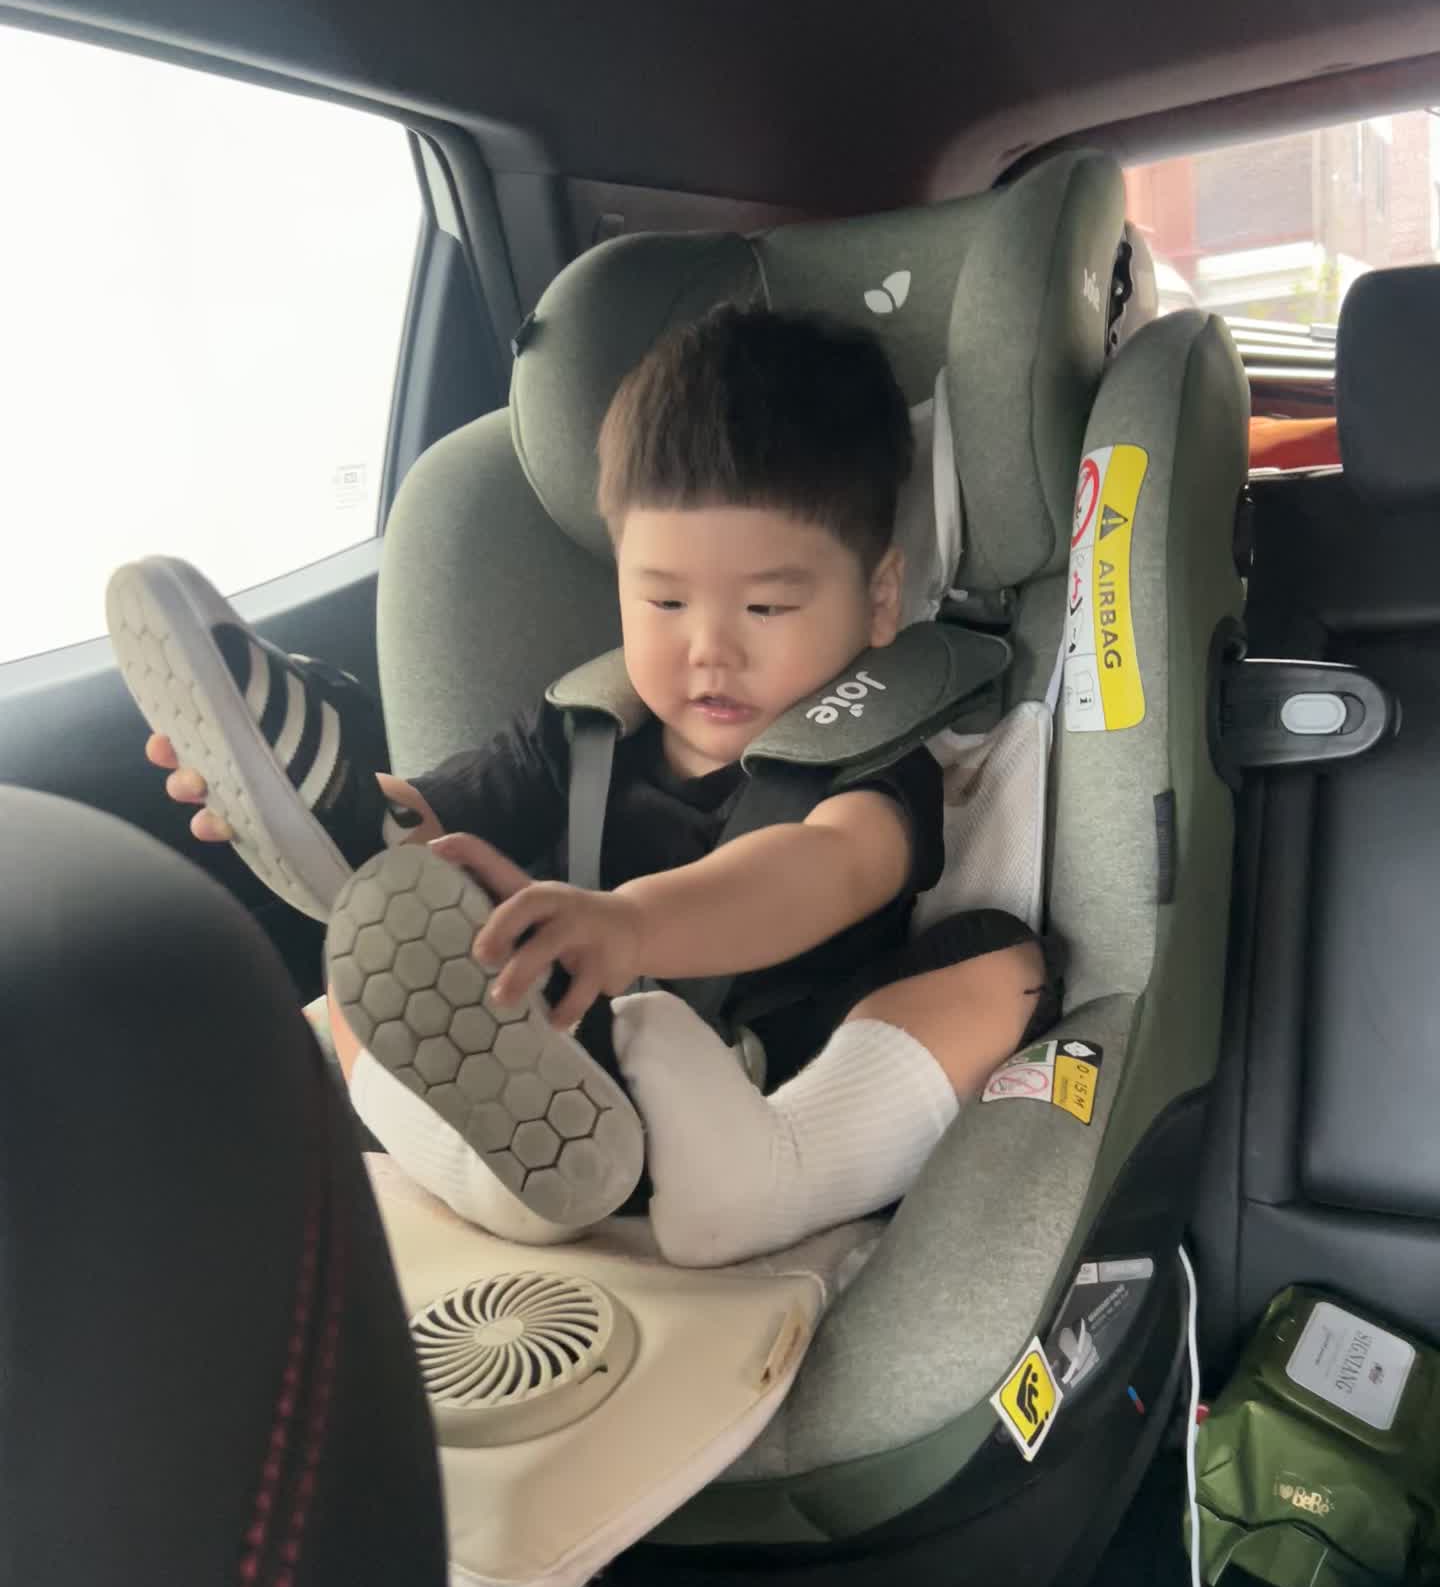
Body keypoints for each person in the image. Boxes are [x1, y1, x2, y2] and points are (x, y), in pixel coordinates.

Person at [122, 306, 1054, 1267]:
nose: (709, 648)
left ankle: (781, 1174)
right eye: (665, 600)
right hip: (563, 1075)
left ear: (881, 597)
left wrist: (634, 925)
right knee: (373, 935)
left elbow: (829, 866)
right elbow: (433, 824)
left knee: (1003, 964)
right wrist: (307, 805)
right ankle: (489, 1171)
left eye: (767, 606)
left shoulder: (874, 755)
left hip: (782, 1082)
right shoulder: (583, 732)